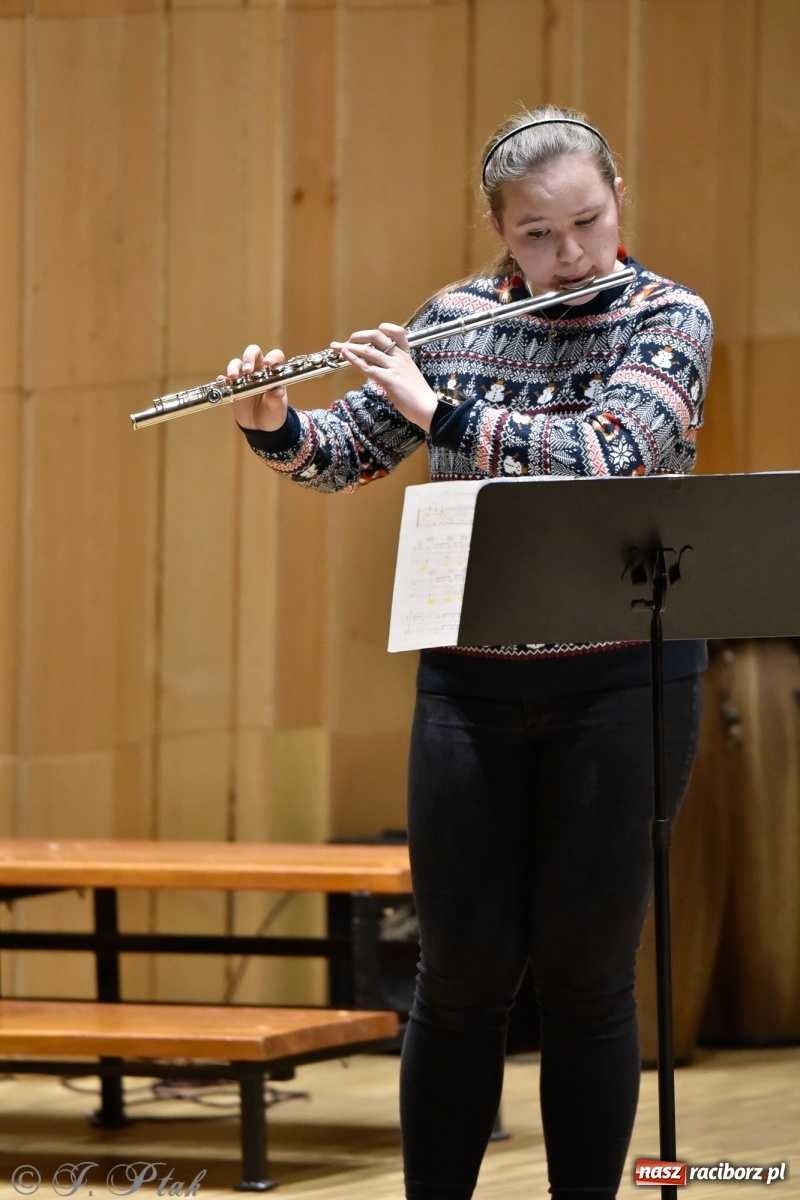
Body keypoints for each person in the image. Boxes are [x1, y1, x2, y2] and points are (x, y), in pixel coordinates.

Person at [222, 105, 713, 1200]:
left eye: (586, 222)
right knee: (456, 978)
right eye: (537, 233)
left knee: (586, 978)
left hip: (618, 686)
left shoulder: (667, 317)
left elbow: (605, 456)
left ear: (618, 200)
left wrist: (440, 411)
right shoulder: (452, 319)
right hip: (469, 686)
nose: (569, 253)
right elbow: (347, 453)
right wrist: (273, 422)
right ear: (498, 229)